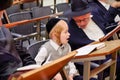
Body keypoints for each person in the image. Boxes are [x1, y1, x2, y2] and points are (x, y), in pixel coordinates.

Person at [64, 0, 120, 79]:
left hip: (112, 53)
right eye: (78, 21)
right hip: (95, 62)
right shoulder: (70, 30)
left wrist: (116, 25)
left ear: (89, 13)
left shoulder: (95, 15)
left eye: (85, 19)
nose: (82, 23)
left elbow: (105, 27)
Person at [0, 0, 36, 80]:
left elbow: (22, 52)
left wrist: (31, 66)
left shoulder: (4, 29)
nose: (1, 17)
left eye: (2, 12)